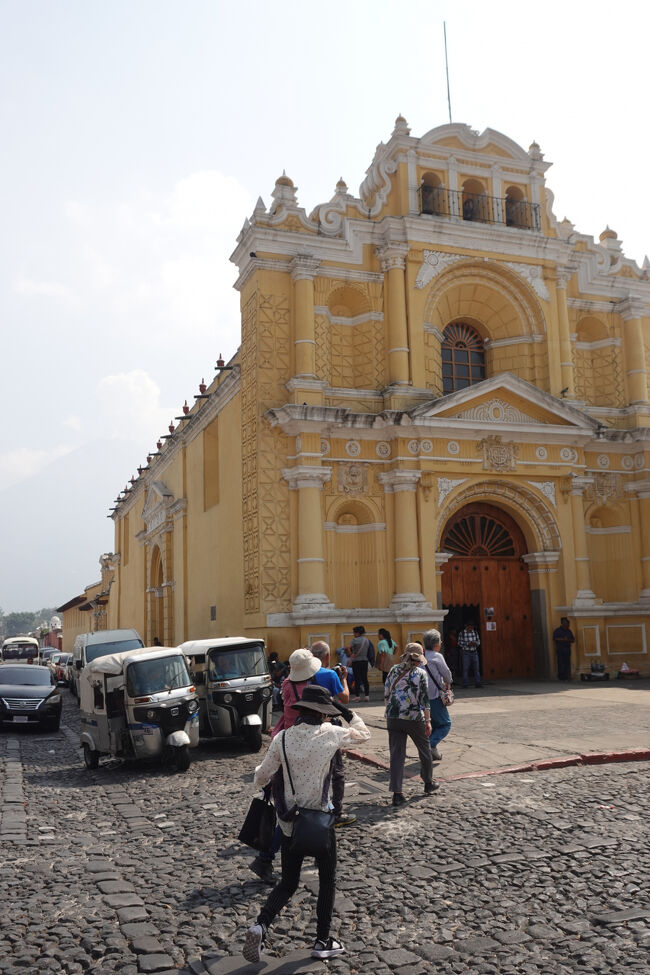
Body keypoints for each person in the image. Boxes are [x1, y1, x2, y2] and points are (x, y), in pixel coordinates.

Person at [243, 685, 371, 963]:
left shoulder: (283, 739)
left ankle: (260, 925)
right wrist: (347, 711)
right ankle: (323, 940)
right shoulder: (332, 735)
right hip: (321, 825)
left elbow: (262, 776)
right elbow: (364, 733)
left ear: (301, 711)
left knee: (288, 883)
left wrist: (265, 778)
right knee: (327, 880)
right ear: (323, 714)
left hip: (291, 823)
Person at [249, 647, 321, 884]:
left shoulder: (287, 685)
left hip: (285, 744)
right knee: (296, 811)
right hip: (301, 749)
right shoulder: (309, 690)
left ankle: (274, 856)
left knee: (291, 808)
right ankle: (267, 857)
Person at [384, 643, 439, 806]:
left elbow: (387, 693)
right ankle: (428, 783)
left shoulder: (393, 670)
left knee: (396, 755)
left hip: (393, 717)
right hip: (414, 718)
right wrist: (428, 721)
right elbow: (425, 700)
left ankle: (397, 793)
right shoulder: (420, 673)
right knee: (424, 750)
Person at [310, 641, 355, 828]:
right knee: (337, 770)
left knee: (314, 770)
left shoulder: (300, 676)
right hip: (328, 726)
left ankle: (314, 808)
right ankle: (336, 812)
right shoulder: (329, 674)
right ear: (327, 657)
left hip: (306, 725)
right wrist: (343, 678)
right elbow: (344, 698)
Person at [421, 629, 453, 761]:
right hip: (434, 696)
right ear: (436, 644)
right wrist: (448, 683)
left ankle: (432, 751)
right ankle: (429, 745)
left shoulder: (422, 656)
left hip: (422, 697)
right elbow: (447, 674)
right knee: (445, 724)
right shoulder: (437, 656)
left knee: (432, 725)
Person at [347, 625, 372, 701]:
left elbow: (348, 647)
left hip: (356, 661)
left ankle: (357, 696)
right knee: (365, 678)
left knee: (357, 678)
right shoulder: (367, 640)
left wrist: (351, 654)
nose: (353, 634)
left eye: (354, 632)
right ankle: (367, 696)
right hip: (365, 660)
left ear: (357, 633)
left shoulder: (354, 640)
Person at [459, 622, 482, 687]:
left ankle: (478, 683)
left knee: (476, 669)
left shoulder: (475, 632)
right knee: (465, 668)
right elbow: (459, 643)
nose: (471, 628)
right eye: (470, 627)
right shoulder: (462, 633)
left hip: (474, 652)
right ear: (467, 626)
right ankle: (465, 684)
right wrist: (467, 644)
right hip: (466, 652)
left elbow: (479, 642)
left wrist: (475, 643)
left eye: (472, 627)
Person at [553, 617, 575, 681]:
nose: (567, 625)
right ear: (562, 624)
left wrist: (568, 640)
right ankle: (561, 676)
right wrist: (563, 639)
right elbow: (555, 638)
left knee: (567, 663)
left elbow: (573, 639)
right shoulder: (557, 630)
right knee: (560, 663)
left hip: (567, 649)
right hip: (560, 649)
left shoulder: (569, 631)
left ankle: (567, 676)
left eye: (568, 624)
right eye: (566, 624)